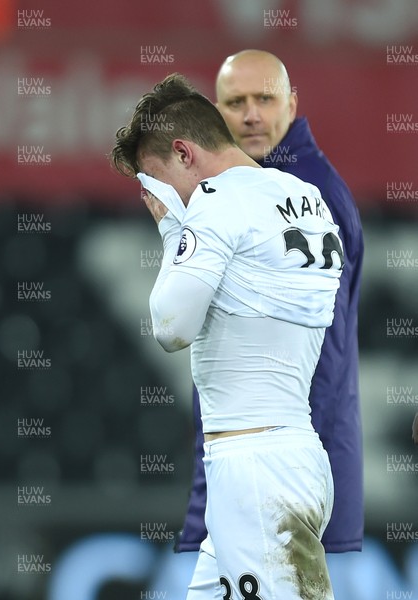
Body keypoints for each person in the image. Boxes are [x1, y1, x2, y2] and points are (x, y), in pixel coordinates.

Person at [111, 73, 344, 599]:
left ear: (183, 153)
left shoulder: (217, 202)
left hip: (254, 471)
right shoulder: (306, 197)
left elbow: (171, 327)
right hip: (292, 454)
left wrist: (175, 229)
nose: (155, 200)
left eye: (153, 182)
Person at [175, 49, 364, 584]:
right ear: (216, 112)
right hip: (264, 461)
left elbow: (321, 354)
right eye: (236, 102)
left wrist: (301, 472)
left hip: (274, 467)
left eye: (265, 99)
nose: (251, 115)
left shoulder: (301, 194)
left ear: (292, 104)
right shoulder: (263, 185)